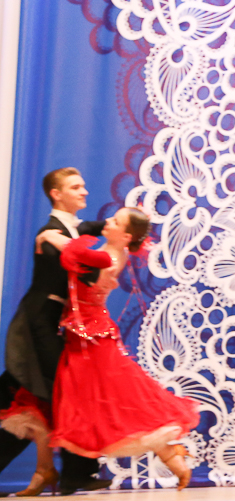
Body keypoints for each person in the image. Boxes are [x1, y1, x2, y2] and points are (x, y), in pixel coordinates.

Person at [31, 208, 198, 488]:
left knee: (114, 400)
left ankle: (169, 456)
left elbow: (71, 250)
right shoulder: (110, 253)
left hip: (91, 337)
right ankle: (172, 457)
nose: (107, 221)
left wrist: (47, 235)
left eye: (116, 221)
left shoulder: (106, 258)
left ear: (126, 236)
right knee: (114, 399)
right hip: (86, 333)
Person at [0, 169, 107, 496]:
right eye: (76, 187)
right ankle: (76, 473)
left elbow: (99, 227)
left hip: (48, 324)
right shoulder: (49, 233)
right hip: (36, 324)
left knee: (25, 400)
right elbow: (85, 268)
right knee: (65, 390)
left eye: (84, 185)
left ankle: (73, 473)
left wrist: (128, 222)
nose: (84, 191)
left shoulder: (70, 229)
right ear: (56, 194)